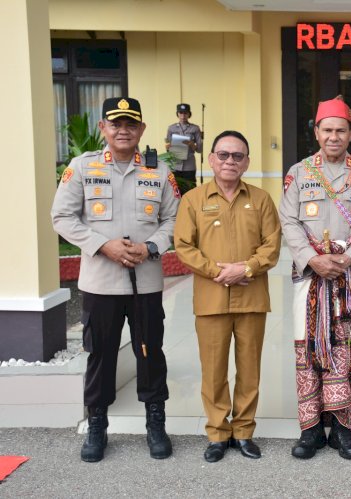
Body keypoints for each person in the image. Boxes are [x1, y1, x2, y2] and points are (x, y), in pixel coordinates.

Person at [52, 97, 180, 462]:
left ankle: (155, 423)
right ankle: (97, 425)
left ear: (141, 130)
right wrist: (103, 244)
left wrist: (152, 246)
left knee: (151, 353)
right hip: (101, 284)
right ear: (103, 128)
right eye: (116, 123)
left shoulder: (158, 172)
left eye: (131, 124)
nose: (123, 130)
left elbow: (174, 220)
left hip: (146, 284)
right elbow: (61, 216)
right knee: (101, 356)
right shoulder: (82, 167)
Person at [279, 96, 351, 460]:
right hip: (309, 279)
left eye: (341, 130)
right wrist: (312, 259)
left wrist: (349, 258)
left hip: (350, 279)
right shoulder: (300, 172)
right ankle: (310, 430)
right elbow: (288, 221)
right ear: (317, 132)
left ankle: (343, 428)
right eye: (328, 130)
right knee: (308, 349)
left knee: (350, 348)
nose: (334, 137)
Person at [174, 130, 281, 463]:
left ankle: (244, 431)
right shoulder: (193, 199)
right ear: (211, 160)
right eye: (223, 155)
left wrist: (245, 269)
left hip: (252, 298)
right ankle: (218, 433)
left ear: (247, 161)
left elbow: (272, 246)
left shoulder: (261, 199)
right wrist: (216, 271)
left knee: (249, 370)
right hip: (211, 299)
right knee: (214, 370)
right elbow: (183, 246)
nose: (230, 161)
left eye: (237, 156)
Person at [165, 103, 203, 190]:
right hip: (175, 164)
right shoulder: (171, 128)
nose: (183, 115)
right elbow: (168, 147)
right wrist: (168, 147)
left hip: (189, 165)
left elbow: (200, 150)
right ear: (177, 114)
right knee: (174, 191)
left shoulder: (195, 128)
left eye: (185, 113)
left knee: (190, 190)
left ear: (189, 114)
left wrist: (191, 144)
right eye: (180, 113)